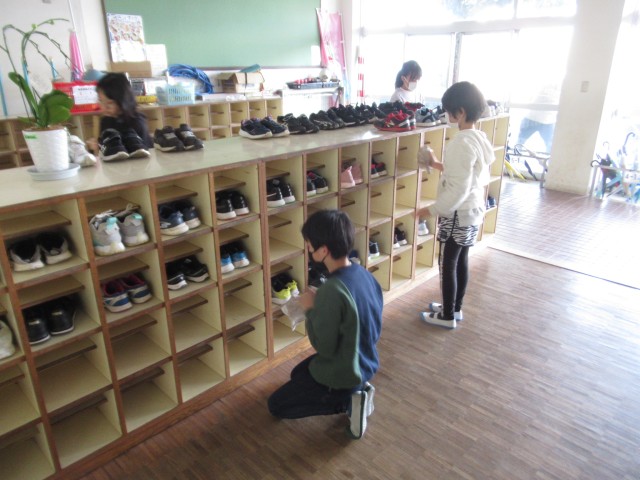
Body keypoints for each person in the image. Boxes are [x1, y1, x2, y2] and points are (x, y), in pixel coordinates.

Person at [267, 209, 383, 439]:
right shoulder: (362, 273)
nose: (309, 251)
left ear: (324, 250)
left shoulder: (332, 290)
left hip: (345, 369)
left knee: (276, 405)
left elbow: (324, 347)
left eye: (310, 247)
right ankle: (358, 387)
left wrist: (311, 310)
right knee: (298, 373)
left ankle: (349, 401)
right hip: (365, 358)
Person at [418, 81, 495, 329]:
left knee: (447, 263)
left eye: (449, 110)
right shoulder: (478, 138)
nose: (446, 115)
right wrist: (436, 164)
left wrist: (432, 210)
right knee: (461, 260)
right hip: (473, 210)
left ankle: (447, 316)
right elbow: (467, 175)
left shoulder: (460, 143)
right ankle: (454, 308)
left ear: (460, 112)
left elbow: (458, 188)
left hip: (457, 214)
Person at [86, 72, 153, 161]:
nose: (104, 108)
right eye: (101, 101)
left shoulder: (137, 122)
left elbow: (142, 155)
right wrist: (94, 149)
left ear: (123, 101)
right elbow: (104, 151)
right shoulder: (106, 121)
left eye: (110, 103)